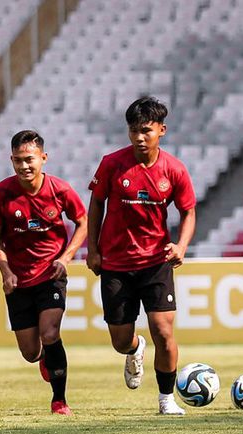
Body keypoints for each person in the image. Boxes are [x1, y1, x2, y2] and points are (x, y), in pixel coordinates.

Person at [86, 96, 196, 415]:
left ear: (162, 130)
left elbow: (188, 211)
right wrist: (93, 250)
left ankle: (166, 400)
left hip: (156, 263)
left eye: (146, 130)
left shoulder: (174, 169)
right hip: (116, 265)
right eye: (133, 130)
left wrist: (181, 245)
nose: (139, 137)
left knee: (164, 330)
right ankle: (135, 349)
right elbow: (96, 205)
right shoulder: (111, 163)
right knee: (120, 341)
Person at [0, 130, 87, 415]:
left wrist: (65, 258)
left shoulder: (61, 191)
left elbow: (83, 223)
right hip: (17, 280)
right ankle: (44, 356)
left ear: (43, 158)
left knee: (50, 331)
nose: (24, 166)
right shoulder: (1, 194)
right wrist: (5, 271)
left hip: (51, 275)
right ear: (11, 160)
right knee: (30, 352)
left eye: (29, 159)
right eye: (18, 160)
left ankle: (59, 400)